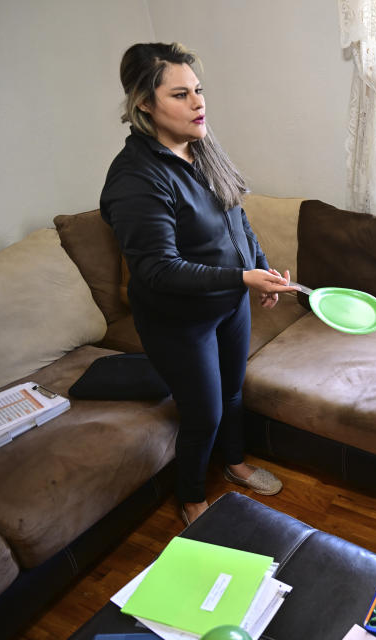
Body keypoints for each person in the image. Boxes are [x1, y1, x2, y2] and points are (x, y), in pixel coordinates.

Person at [100, 43, 297, 525]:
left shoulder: (202, 145)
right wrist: (242, 277)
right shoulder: (136, 178)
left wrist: (262, 272)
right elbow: (156, 269)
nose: (198, 104)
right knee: (204, 411)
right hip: (177, 320)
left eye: (199, 91)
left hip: (229, 303)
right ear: (144, 103)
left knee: (233, 392)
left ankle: (233, 463)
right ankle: (191, 498)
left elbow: (238, 219)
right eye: (181, 94)